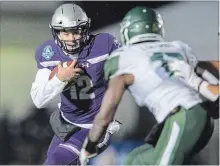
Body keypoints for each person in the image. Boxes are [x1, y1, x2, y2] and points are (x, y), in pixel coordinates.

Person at [80, 6, 219, 165]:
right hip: (198, 118)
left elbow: (105, 116)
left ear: (129, 30)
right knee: (136, 160)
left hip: (182, 116)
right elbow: (210, 66)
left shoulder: (123, 57)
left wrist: (89, 146)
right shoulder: (177, 48)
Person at [30, 3, 121, 165]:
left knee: (55, 162)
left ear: (85, 29)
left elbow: (129, 68)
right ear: (56, 32)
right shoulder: (49, 53)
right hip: (65, 123)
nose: (71, 38)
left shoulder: (103, 45)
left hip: (92, 126)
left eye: (76, 32)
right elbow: (38, 100)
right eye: (65, 32)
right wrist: (60, 78)